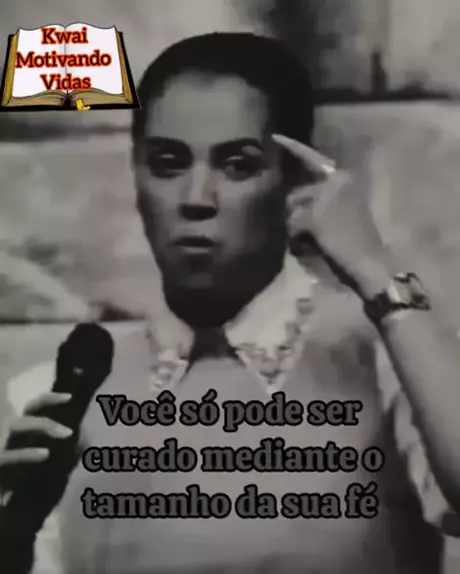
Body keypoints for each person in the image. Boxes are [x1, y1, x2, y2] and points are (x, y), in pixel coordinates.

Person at [1, 32, 460, 574]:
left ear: (295, 181)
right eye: (167, 163)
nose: (196, 199)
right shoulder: (57, 397)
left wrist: (376, 269)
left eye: (238, 165)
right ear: (136, 177)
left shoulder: (392, 364)